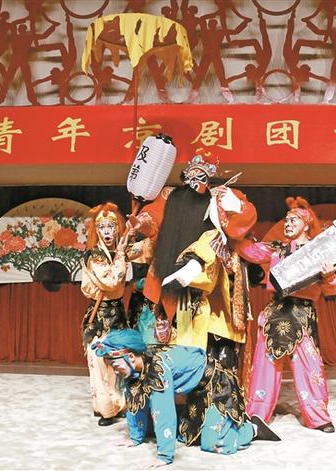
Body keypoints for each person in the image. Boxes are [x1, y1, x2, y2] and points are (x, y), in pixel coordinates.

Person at [237, 197, 336, 433]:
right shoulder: (276, 249)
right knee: (265, 367)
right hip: (276, 311)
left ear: (306, 224)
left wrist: (329, 276)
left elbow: (332, 290)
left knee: (309, 367)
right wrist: (233, 229)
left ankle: (318, 417)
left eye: (293, 220)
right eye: (286, 220)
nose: (288, 223)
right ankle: (256, 414)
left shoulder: (320, 252)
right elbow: (249, 251)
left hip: (303, 314)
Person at [129, 149, 257, 370]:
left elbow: (246, 217)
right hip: (174, 278)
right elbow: (153, 217)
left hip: (214, 285)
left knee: (218, 354)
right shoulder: (170, 197)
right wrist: (141, 223)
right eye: (190, 177)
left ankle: (195, 264)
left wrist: (234, 205)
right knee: (173, 346)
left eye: (200, 177)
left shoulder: (219, 196)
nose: (194, 182)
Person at [92, 329, 280, 468]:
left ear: (131, 357)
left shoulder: (158, 369)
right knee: (185, 434)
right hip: (195, 391)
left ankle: (253, 428)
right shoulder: (136, 367)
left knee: (213, 443)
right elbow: (135, 399)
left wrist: (164, 456)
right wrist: (135, 437)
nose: (114, 370)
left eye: (114, 365)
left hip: (216, 383)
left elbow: (163, 411)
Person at [80, 202, 130, 426]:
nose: (107, 232)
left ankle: (120, 404)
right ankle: (105, 409)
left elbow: (143, 253)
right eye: (102, 227)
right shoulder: (95, 255)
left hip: (117, 312)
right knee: (99, 362)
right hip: (99, 315)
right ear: (97, 230)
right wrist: (120, 256)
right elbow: (111, 281)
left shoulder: (118, 251)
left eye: (111, 226)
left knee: (119, 360)